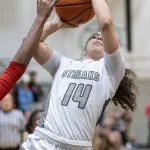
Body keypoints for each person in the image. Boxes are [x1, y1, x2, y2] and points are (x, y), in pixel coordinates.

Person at [21, 0, 138, 150]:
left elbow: (106, 22)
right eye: (93, 37)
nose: (98, 38)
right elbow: (29, 43)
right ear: (84, 51)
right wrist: (57, 24)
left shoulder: (111, 70)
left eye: (102, 38)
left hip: (77, 146)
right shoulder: (62, 63)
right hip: (43, 141)